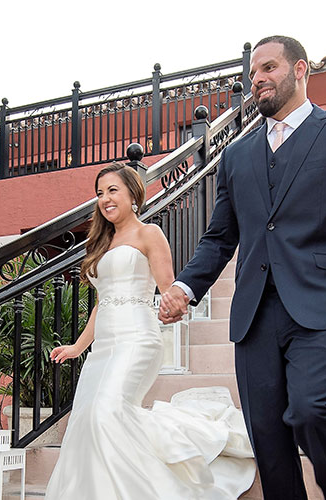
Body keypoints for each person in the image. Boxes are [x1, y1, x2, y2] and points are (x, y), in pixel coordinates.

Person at [159, 35, 326, 500]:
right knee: (268, 437)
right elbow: (219, 237)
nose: (257, 79)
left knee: (311, 409)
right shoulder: (236, 155)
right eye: (253, 73)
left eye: (268, 68)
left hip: (319, 302)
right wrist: (185, 287)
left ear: (300, 69)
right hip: (254, 313)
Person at [44, 163, 255, 499]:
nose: (105, 198)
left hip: (137, 340)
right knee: (87, 418)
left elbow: (168, 287)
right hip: (103, 348)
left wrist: (173, 307)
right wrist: (78, 347)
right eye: (100, 193)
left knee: (107, 412)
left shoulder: (149, 234)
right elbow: (102, 303)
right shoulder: (101, 242)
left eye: (113, 190)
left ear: (133, 195)